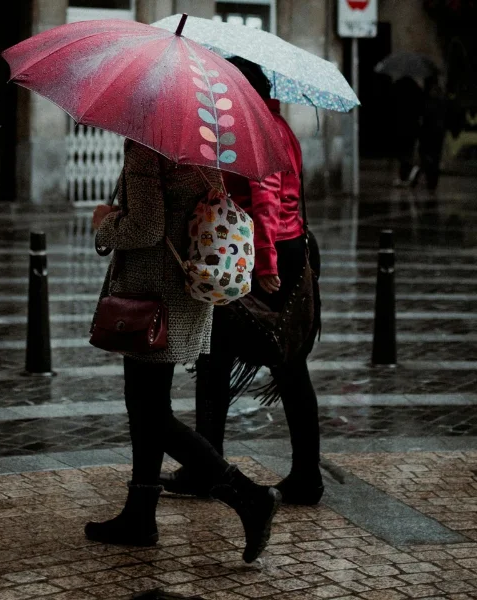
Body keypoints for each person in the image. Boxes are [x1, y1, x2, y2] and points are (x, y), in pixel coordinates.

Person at [87, 139, 281, 564]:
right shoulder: (198, 145)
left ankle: (247, 495)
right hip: (186, 291)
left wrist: (104, 225)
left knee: (148, 410)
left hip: (152, 296)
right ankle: (140, 514)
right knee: (148, 405)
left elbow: (147, 227)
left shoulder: (144, 147)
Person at [160, 56, 324, 506]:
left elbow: (268, 199)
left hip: (261, 254)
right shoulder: (277, 125)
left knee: (247, 361)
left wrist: (266, 263)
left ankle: (213, 470)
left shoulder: (258, 128)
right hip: (275, 249)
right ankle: (294, 473)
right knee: (263, 363)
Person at [391, 76, 425, 186]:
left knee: (403, 153)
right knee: (409, 152)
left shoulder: (399, 89)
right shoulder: (418, 92)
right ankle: (407, 175)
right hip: (412, 126)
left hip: (402, 126)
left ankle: (404, 176)